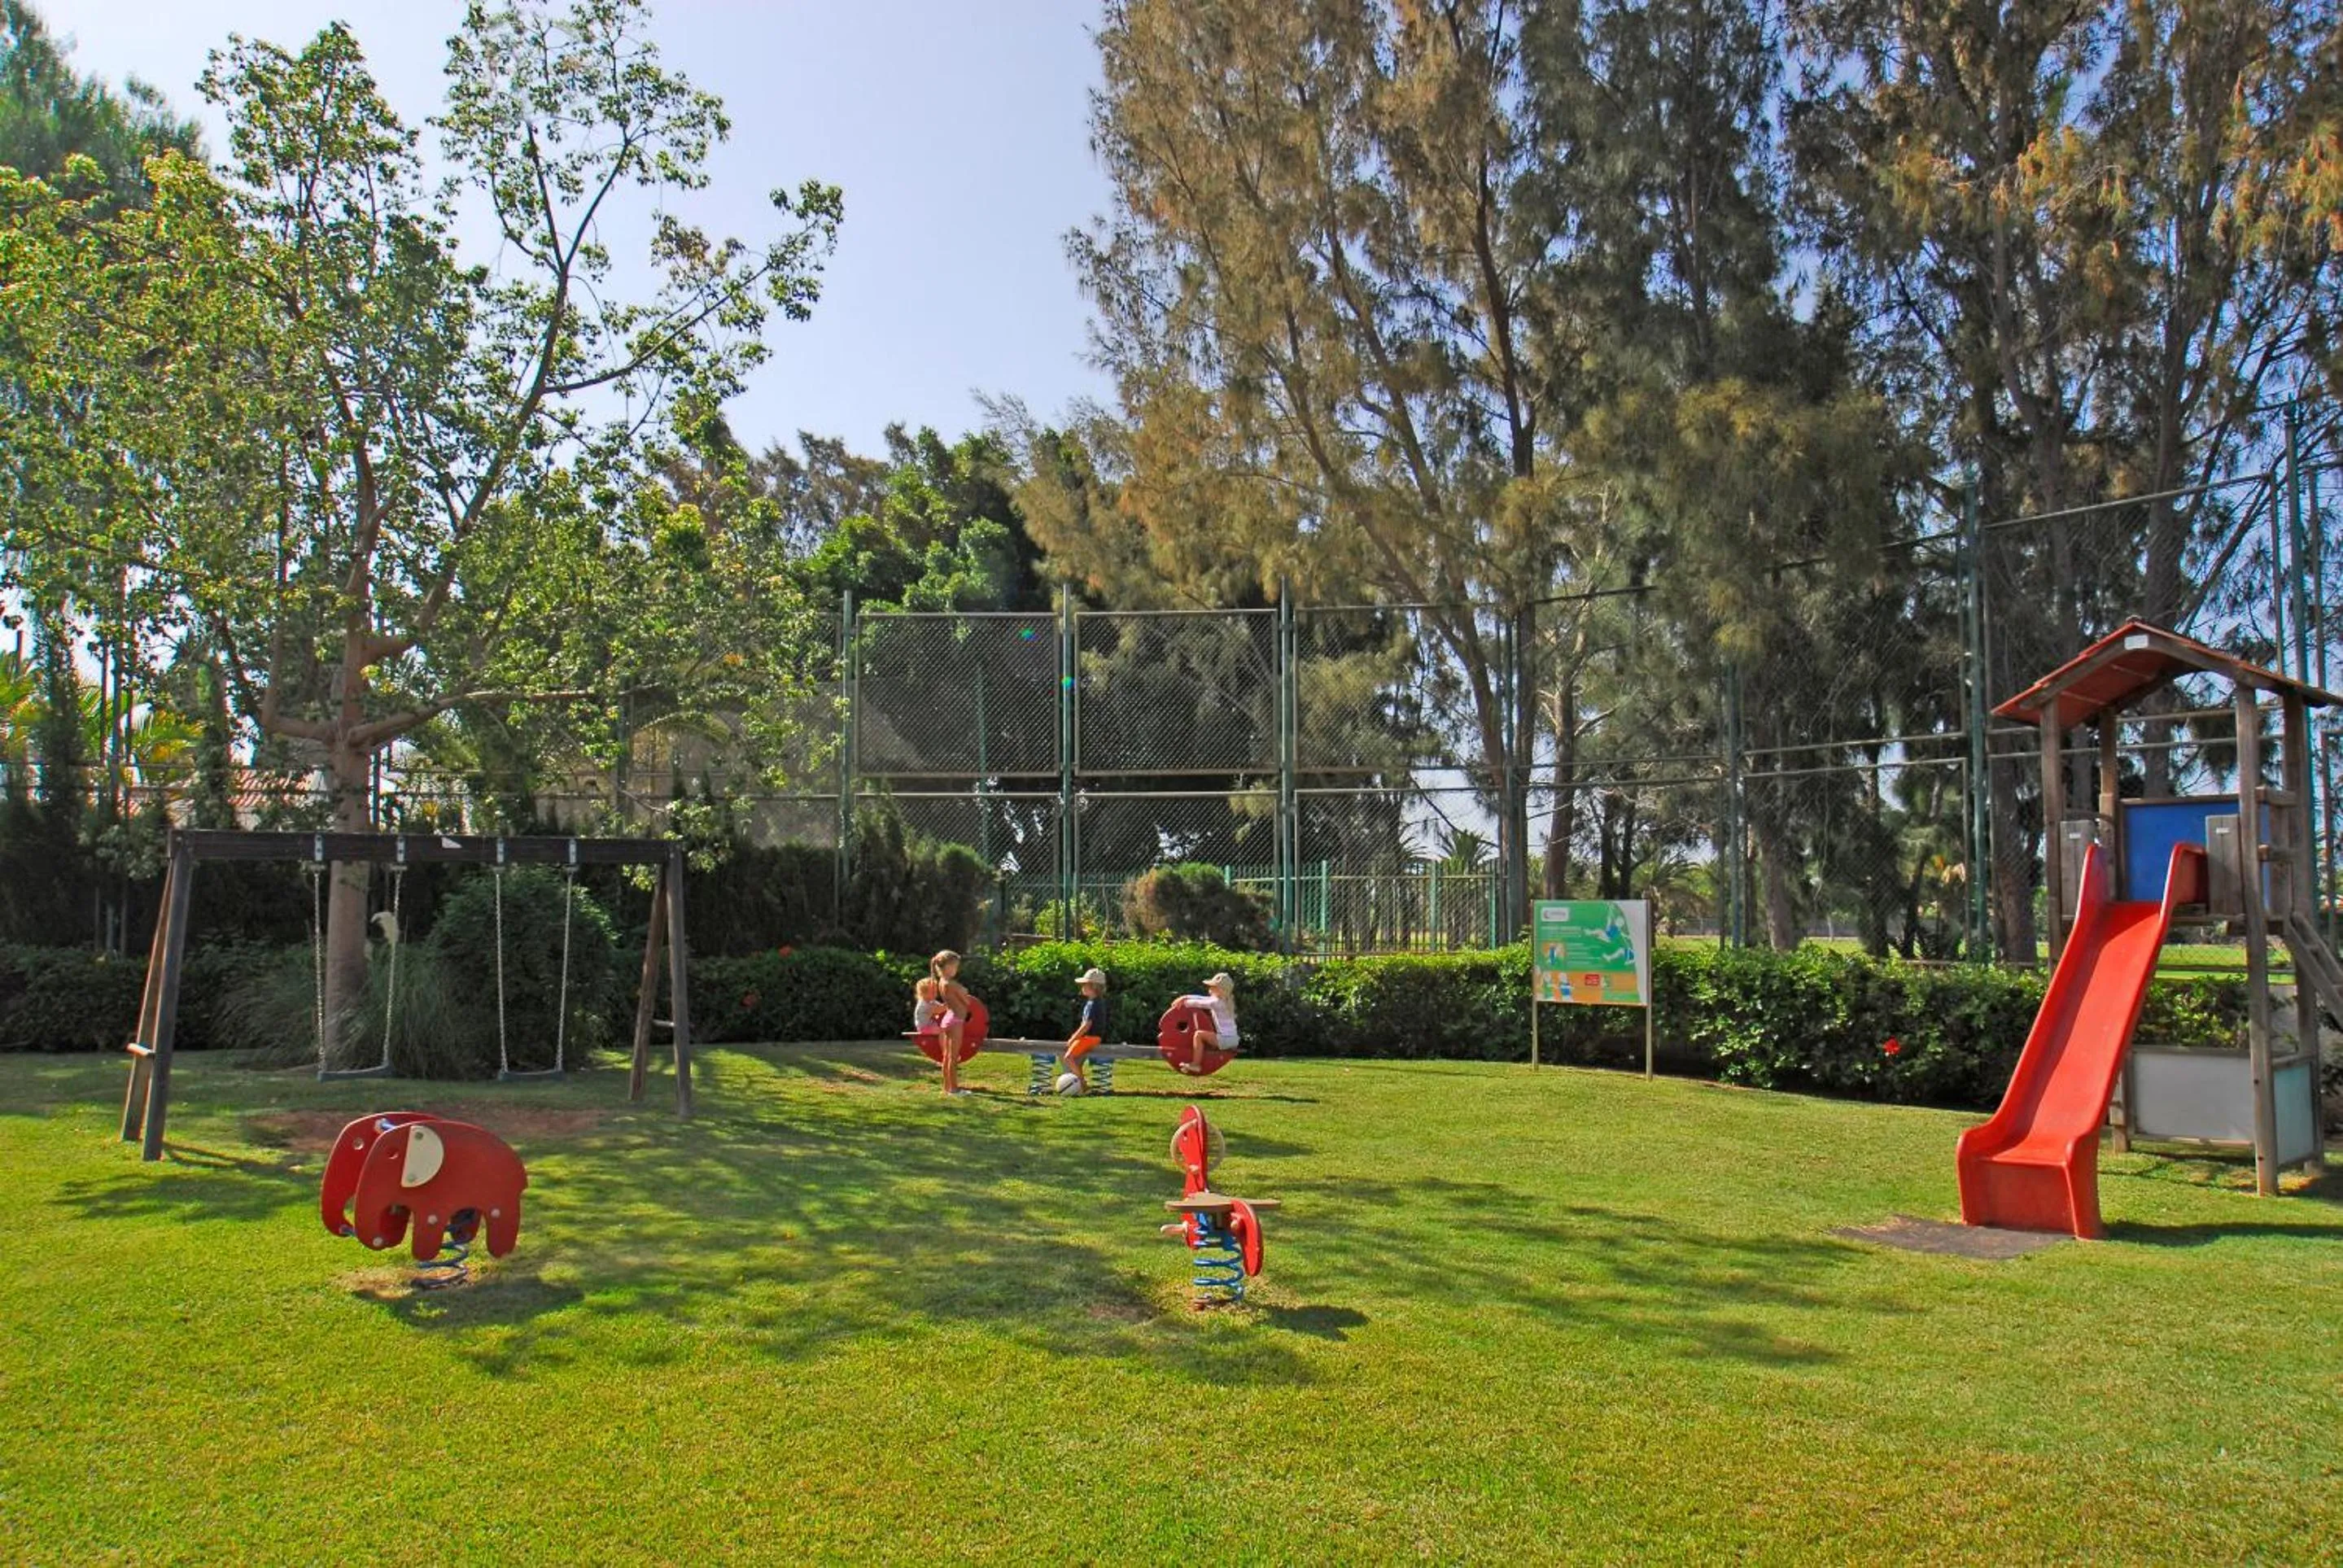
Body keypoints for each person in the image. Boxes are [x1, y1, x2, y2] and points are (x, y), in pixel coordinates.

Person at [927, 950, 981, 1096]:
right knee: (953, 1056)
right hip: (955, 1021)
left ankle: (947, 1087)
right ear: (948, 966)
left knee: (947, 1056)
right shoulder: (952, 984)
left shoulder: (941, 982)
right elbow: (966, 1000)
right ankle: (954, 1089)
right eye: (955, 966)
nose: (957, 969)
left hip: (948, 1019)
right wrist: (964, 993)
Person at [1174, 972, 1238, 1074]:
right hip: (1233, 1039)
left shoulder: (1216, 1003)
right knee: (1206, 1035)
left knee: (1198, 1035)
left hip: (1225, 1040)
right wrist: (1184, 997)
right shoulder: (1226, 1000)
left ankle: (1195, 1064)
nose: (1210, 989)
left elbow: (1198, 1003)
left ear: (1220, 989)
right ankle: (1198, 1061)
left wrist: (1184, 1002)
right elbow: (1204, 998)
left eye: (1213, 987)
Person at [1062, 967, 1109, 1088]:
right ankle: (1080, 1081)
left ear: (1093, 987)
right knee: (1072, 1056)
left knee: (1068, 1057)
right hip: (1091, 1038)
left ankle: (1082, 1084)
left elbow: (1087, 1025)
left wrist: (1073, 1038)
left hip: (1091, 1038)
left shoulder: (1094, 1003)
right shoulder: (1093, 1002)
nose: (1082, 987)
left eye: (1085, 984)